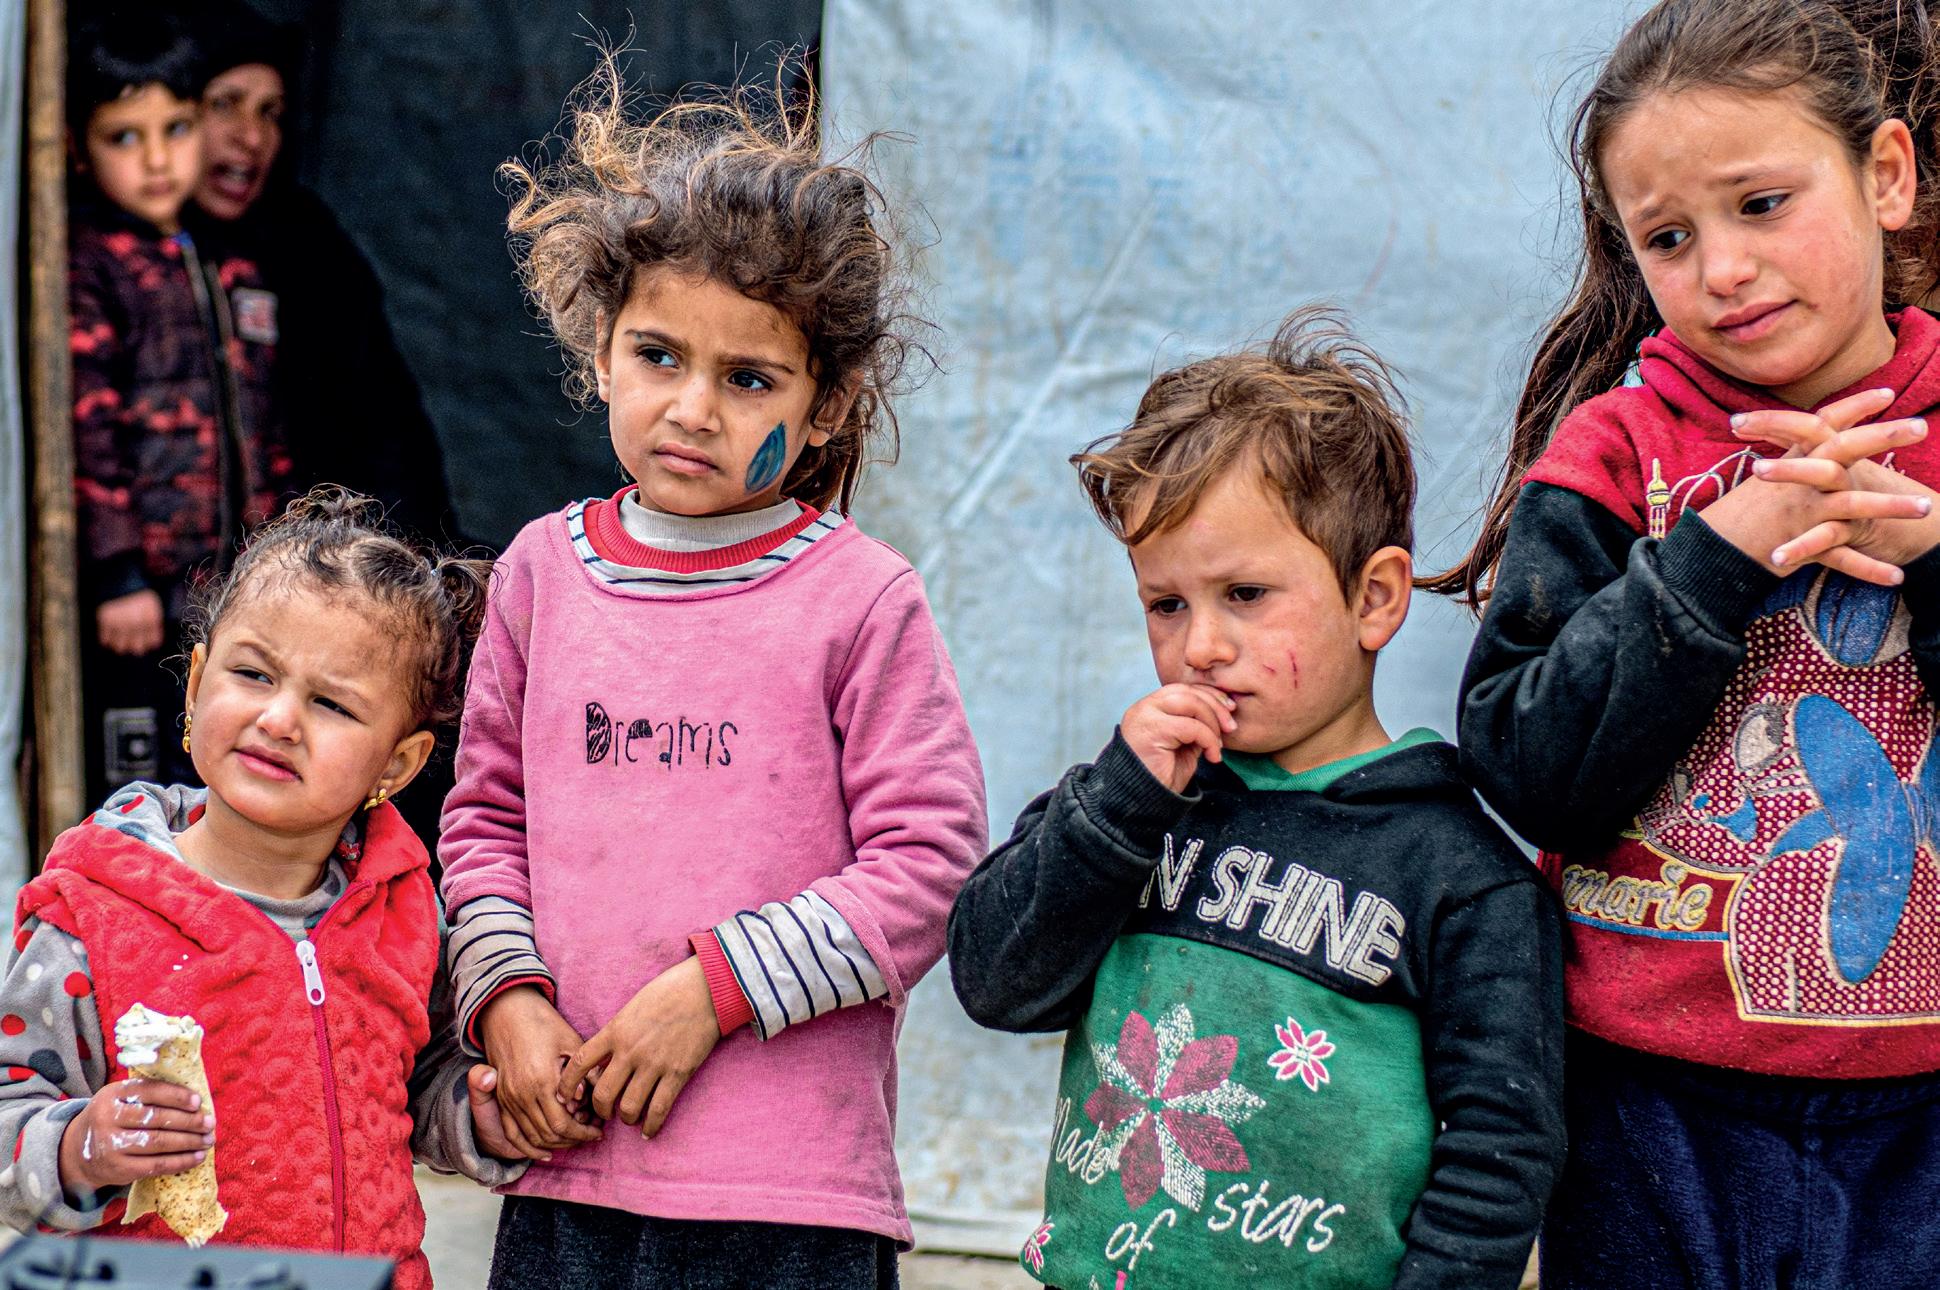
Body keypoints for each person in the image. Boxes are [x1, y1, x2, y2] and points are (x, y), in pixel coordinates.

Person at [436, 57, 989, 1289]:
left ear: (829, 402)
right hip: (570, 1176)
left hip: (786, 1201)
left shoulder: (860, 599)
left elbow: (928, 863)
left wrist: (713, 990)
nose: (693, 408)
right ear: (599, 353)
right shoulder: (541, 575)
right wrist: (508, 1002)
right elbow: (482, 822)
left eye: (748, 379)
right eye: (657, 355)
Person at [1435, 1, 1940, 1285]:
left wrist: (1928, 551)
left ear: (1883, 176)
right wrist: (1712, 558)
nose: (1720, 268)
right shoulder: (1611, 458)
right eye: (1667, 237)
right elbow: (1524, 765)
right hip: (1644, 1107)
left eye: (1760, 204)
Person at [948, 308, 1565, 1289]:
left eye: (1244, 595)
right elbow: (995, 984)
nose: (1199, 646)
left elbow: (1500, 1154)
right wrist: (1117, 806)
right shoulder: (1131, 805)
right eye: (1166, 604)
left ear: (1374, 598)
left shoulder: (1459, 878)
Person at [0, 490, 530, 1286]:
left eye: (331, 704)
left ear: (398, 764)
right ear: (195, 687)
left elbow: (413, 1086)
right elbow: (10, 1115)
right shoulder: (93, 914)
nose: (279, 719)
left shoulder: (403, 914)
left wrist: (477, 1114)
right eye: (252, 674)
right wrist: (85, 1145)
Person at [67, 9, 291, 806]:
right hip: (144, 598)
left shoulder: (231, 262)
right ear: (78, 150)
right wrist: (118, 572)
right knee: (134, 779)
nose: (159, 160)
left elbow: (264, 429)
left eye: (178, 128)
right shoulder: (95, 266)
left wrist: (278, 555)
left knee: (210, 764)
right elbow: (88, 431)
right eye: (125, 137)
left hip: (231, 585)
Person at [182, 0, 459, 547]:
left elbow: (387, 430)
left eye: (270, 112)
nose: (251, 137)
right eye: (226, 104)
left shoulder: (306, 244)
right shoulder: (121, 258)